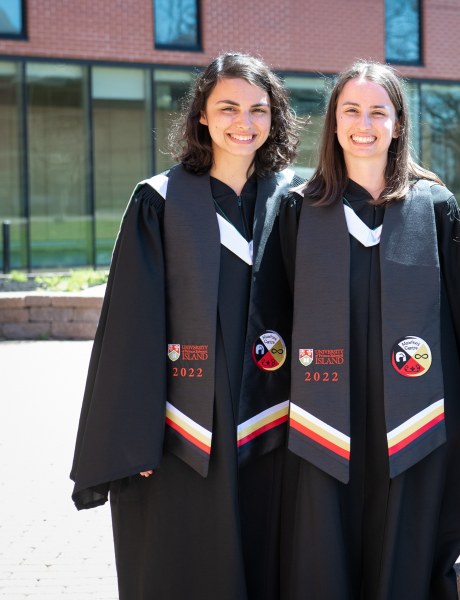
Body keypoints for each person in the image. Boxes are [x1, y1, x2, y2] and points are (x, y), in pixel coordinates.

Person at [70, 52, 302, 600]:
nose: (244, 123)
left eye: (258, 110)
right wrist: (135, 442)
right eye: (228, 108)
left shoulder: (298, 199)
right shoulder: (161, 202)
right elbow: (130, 329)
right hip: (187, 424)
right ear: (202, 114)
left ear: (275, 118)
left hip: (281, 421)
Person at [278, 61, 460, 600]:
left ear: (398, 122)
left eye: (378, 111)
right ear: (334, 123)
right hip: (324, 415)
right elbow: (282, 311)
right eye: (351, 110)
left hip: (416, 417)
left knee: (408, 551)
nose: (364, 123)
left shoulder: (434, 207)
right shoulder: (299, 208)